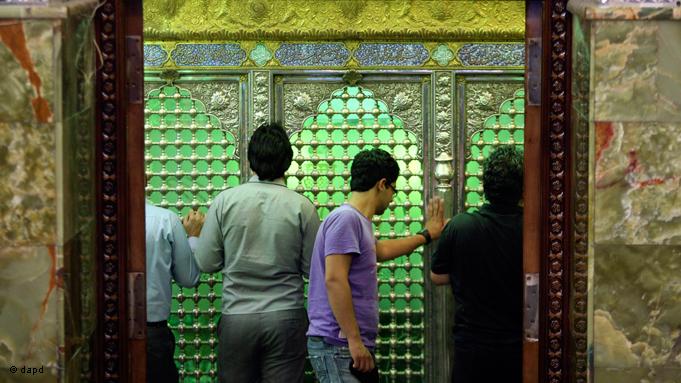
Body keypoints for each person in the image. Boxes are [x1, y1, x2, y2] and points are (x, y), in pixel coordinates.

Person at [194, 123, 321, 383]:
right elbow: (313, 269)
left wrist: (193, 238)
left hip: (237, 318)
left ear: (251, 160)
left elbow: (207, 263)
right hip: (285, 316)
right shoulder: (302, 207)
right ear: (287, 161)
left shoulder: (225, 202)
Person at [306, 148, 445, 383]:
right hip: (338, 343)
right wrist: (353, 339)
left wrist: (426, 235)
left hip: (343, 344)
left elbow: (380, 251)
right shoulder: (346, 219)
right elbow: (334, 279)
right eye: (393, 189)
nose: (392, 198)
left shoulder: (358, 221)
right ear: (382, 184)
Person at [430, 145, 524, 383]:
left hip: (471, 347)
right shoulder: (534, 230)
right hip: (517, 347)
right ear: (523, 186)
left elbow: (437, 276)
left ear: (485, 185)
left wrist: (468, 272)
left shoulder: (460, 226)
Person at [145, 203, 205, 383]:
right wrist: (193, 237)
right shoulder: (165, 219)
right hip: (152, 334)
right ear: (145, 178)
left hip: (104, 334)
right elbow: (189, 278)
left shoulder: (95, 218)